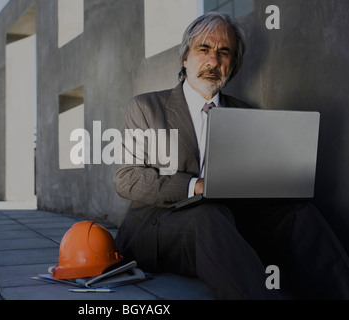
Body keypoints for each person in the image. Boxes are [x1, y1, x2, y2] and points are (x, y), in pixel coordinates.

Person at [113, 12, 349, 300]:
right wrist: (196, 186)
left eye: (224, 53)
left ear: (232, 66)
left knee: (300, 215)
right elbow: (127, 179)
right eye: (204, 49)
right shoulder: (146, 107)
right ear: (185, 58)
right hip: (158, 225)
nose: (214, 61)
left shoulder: (245, 112)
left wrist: (278, 182)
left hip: (229, 220)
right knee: (209, 215)